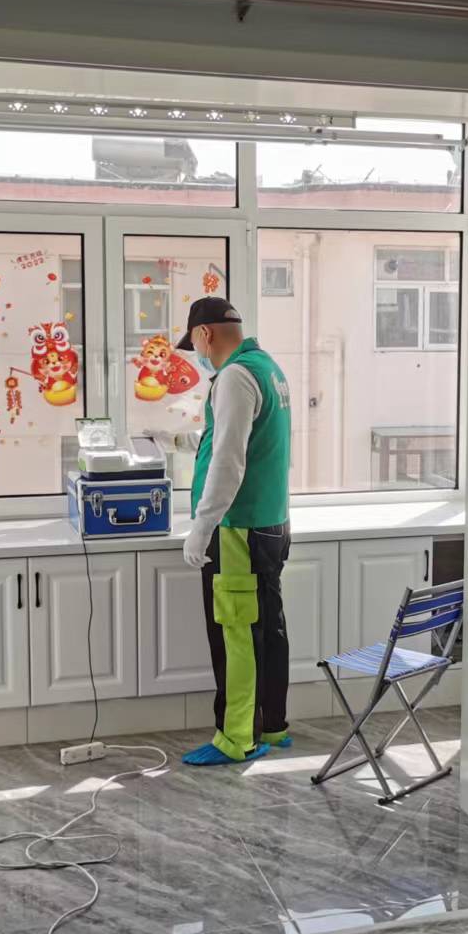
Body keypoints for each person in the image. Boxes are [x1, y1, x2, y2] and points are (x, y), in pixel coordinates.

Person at [175, 297, 293, 767]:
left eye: (195, 346)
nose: (199, 356)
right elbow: (254, 441)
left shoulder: (234, 377)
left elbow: (229, 461)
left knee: (237, 633)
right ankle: (273, 725)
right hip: (271, 522)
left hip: (238, 529)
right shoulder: (268, 369)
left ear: (204, 334)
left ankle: (236, 738)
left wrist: (201, 528)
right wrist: (189, 439)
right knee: (268, 628)